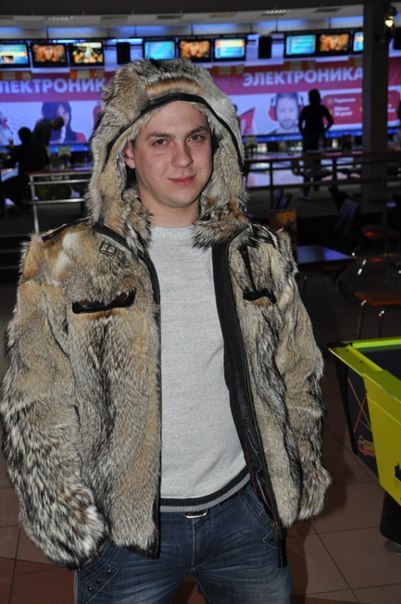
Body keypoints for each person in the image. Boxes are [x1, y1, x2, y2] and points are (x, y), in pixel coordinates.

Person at [0, 59, 331, 603]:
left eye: (195, 137)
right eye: (160, 141)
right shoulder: (67, 261)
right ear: (127, 151)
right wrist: (71, 517)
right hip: (125, 534)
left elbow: (297, 369)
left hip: (245, 514)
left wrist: (292, 472)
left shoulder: (259, 253)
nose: (183, 158)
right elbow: (36, 400)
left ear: (216, 144)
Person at [1, 126, 49, 210]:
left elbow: (10, 164)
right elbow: (47, 162)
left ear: (20, 137)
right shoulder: (41, 147)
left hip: (24, 178)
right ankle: (24, 202)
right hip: (38, 178)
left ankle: (19, 204)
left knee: (4, 186)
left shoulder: (20, 149)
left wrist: (7, 156)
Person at [298, 88, 334, 195]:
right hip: (318, 138)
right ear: (319, 98)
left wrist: (304, 134)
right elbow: (331, 122)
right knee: (317, 161)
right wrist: (323, 131)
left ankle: (306, 186)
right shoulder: (322, 108)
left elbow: (299, 124)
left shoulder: (306, 109)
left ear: (309, 98)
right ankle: (316, 184)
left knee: (307, 163)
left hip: (308, 139)